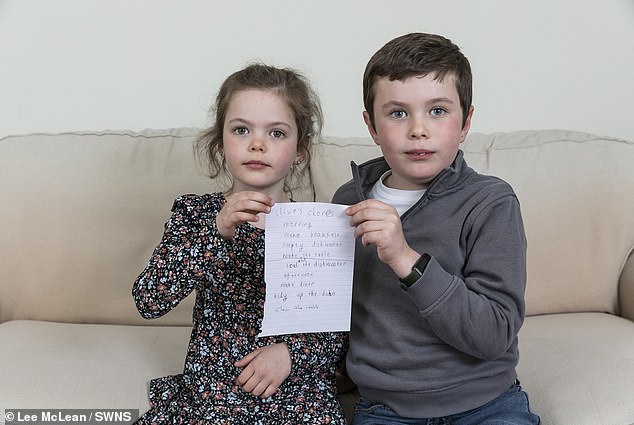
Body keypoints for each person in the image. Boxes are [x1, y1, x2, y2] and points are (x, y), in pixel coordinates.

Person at [332, 33, 540, 424]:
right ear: (372, 127)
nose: (418, 130)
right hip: (386, 408)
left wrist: (406, 259)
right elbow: (329, 310)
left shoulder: (491, 203)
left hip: (486, 403)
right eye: (397, 113)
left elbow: (494, 333)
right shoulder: (347, 202)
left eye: (438, 111)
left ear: (466, 122)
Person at [133, 63, 347, 424]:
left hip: (296, 390)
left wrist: (293, 354)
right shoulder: (196, 214)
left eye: (277, 133)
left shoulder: (316, 225)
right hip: (214, 388)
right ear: (221, 142)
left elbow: (338, 326)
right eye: (241, 129)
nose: (257, 143)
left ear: (300, 150)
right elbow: (148, 300)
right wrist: (216, 232)